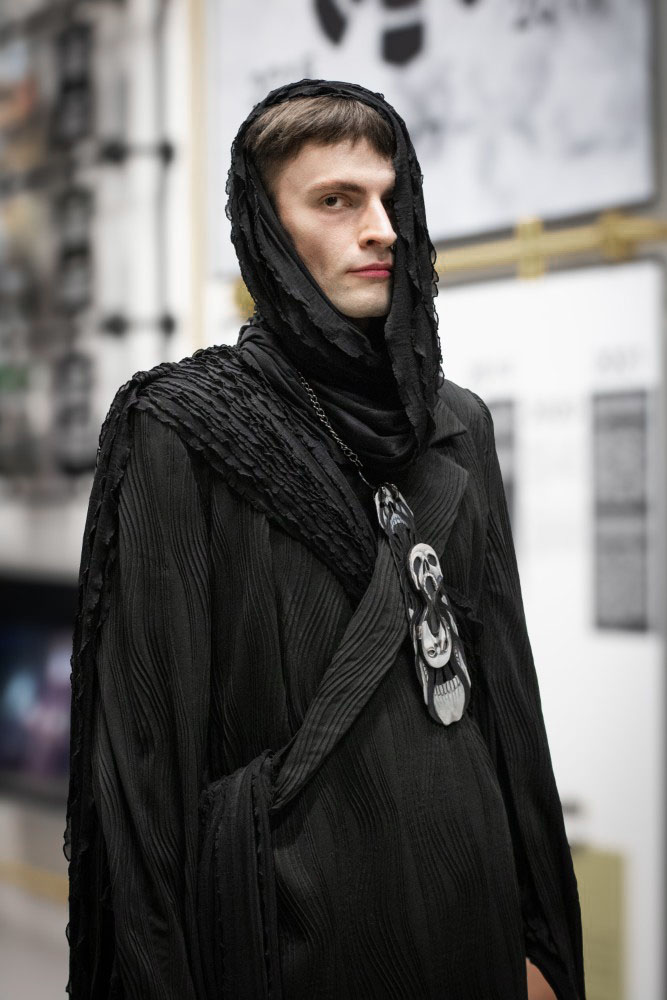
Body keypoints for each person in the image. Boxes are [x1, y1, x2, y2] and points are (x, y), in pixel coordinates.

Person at [63, 79, 585, 1000]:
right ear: (269, 230)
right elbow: (145, 770)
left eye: (390, 198)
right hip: (291, 935)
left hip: (470, 919)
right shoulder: (180, 427)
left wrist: (543, 945)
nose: (380, 229)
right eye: (336, 201)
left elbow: (508, 704)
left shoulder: (452, 424)